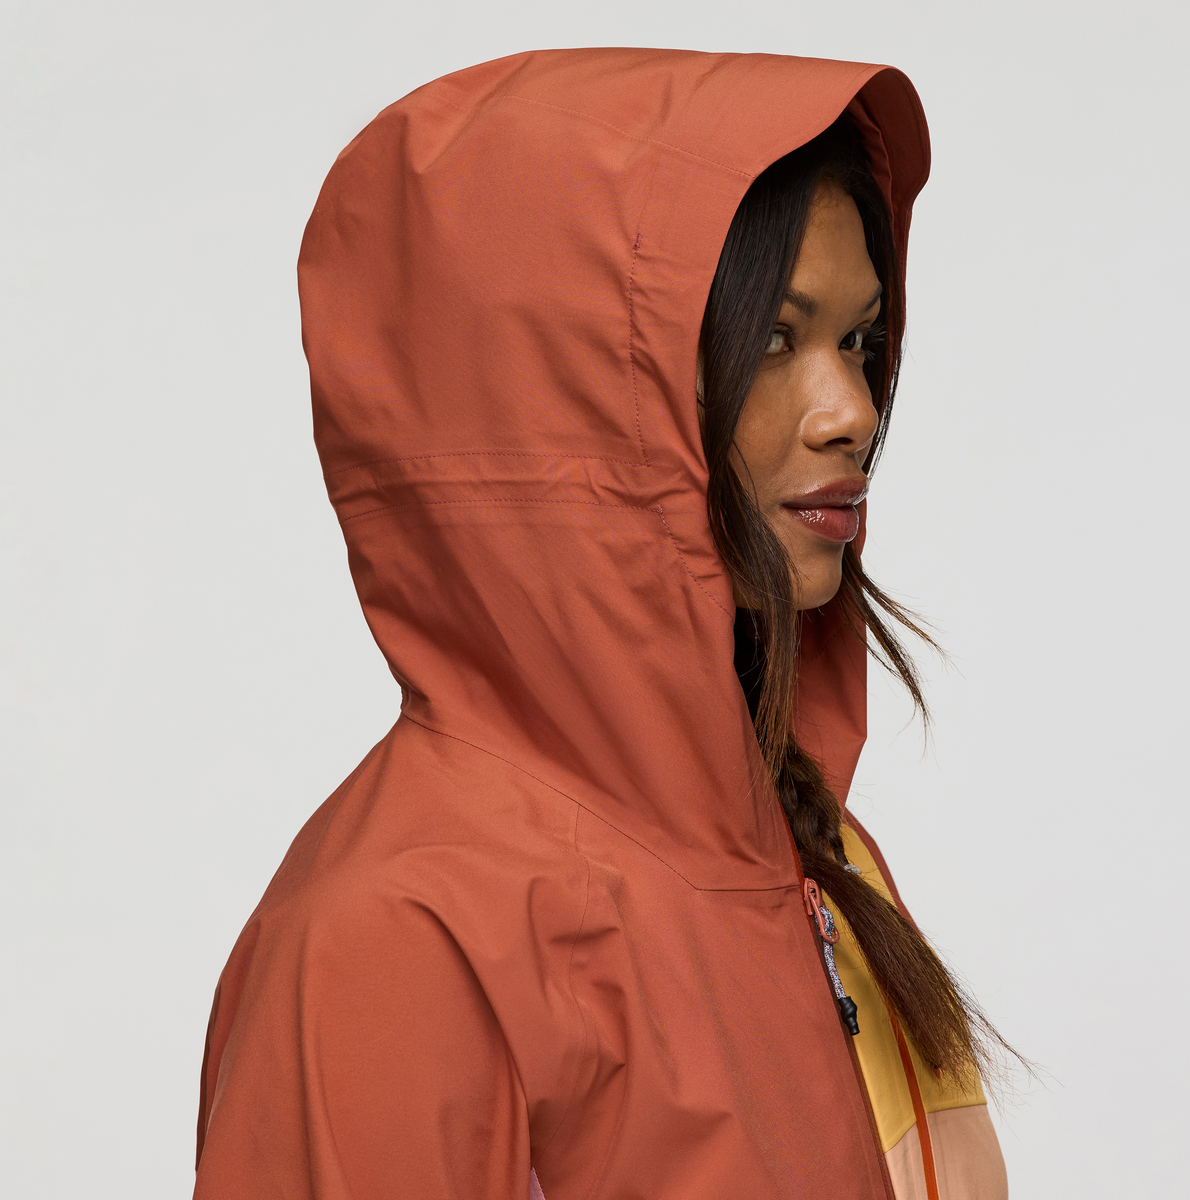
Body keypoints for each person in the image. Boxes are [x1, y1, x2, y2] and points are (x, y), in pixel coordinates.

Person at [193, 48, 1014, 1200]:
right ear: (568, 403)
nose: (853, 413)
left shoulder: (820, 859)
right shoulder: (399, 938)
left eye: (860, 342)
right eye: (773, 341)